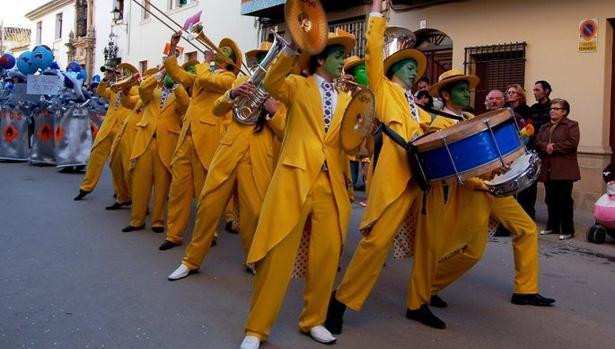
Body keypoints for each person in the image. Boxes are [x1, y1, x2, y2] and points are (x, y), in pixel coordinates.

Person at [325, 0, 448, 334]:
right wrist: (378, 14)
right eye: (407, 66)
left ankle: (418, 303)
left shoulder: (416, 104)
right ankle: (341, 301)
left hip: (423, 179)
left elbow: (429, 126)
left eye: (415, 67)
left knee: (429, 245)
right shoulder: (383, 88)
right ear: (393, 70)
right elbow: (374, 52)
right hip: (395, 178)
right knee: (376, 244)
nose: (414, 71)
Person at [238, 30, 356, 349]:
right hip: (295, 175)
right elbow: (272, 83)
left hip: (332, 182)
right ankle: (256, 328)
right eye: (337, 55)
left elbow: (353, 145)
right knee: (278, 253)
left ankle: (313, 320)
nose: (343, 61)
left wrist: (365, 129)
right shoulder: (296, 85)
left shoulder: (348, 99)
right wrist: (289, 50)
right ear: (320, 59)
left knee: (328, 255)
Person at [426, 69, 556, 312]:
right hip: (471, 192)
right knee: (470, 252)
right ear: (445, 94)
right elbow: (450, 169)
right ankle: (427, 286)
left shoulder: (469, 116)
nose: (468, 93)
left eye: (467, 88)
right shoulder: (437, 125)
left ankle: (525, 290)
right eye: (461, 89)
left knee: (527, 229)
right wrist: (482, 181)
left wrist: (504, 161)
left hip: (494, 188)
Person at [165, 43, 285, 281]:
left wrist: (272, 111)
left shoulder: (282, 92)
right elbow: (218, 109)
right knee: (208, 206)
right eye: (261, 60)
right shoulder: (240, 82)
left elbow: (286, 131)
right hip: (228, 150)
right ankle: (191, 260)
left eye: (268, 60)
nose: (263, 64)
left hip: (258, 156)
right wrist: (232, 95)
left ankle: (254, 259)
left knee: (255, 213)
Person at [161, 31, 240, 243]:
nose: (216, 51)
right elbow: (179, 75)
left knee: (205, 192)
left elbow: (206, 79)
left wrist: (207, 62)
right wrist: (173, 48)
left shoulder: (228, 78)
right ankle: (173, 235)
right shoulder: (206, 72)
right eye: (218, 50)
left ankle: (208, 234)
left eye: (223, 52)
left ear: (230, 62)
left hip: (208, 137)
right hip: (187, 135)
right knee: (179, 189)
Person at [121, 68, 189, 233]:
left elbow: (185, 105)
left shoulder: (180, 95)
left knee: (162, 185)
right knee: (140, 182)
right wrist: (160, 73)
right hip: (145, 141)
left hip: (166, 144)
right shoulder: (151, 93)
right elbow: (143, 88)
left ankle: (158, 221)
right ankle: (137, 219)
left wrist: (176, 83)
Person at [74, 65, 139, 201]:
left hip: (123, 130)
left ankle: (123, 193)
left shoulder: (136, 90)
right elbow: (100, 92)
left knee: (120, 163)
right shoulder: (115, 89)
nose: (120, 76)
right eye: (120, 73)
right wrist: (106, 78)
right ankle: (86, 187)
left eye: (124, 74)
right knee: (96, 155)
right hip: (107, 129)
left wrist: (129, 85)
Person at [536, 98, 580, 240]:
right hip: (548, 168)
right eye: (551, 108)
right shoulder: (544, 126)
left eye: (556, 109)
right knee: (551, 198)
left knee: (565, 200)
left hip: (564, 168)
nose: (552, 111)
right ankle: (552, 226)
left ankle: (568, 229)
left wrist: (553, 147)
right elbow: (538, 141)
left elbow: (572, 143)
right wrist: (545, 146)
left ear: (564, 112)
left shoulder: (571, 125)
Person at [521, 80, 553, 219]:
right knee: (530, 184)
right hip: (532, 150)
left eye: (537, 90)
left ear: (546, 91)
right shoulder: (532, 108)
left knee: (550, 186)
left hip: (546, 151)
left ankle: (553, 220)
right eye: (533, 90)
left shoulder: (553, 108)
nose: (534, 92)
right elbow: (529, 127)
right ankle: (529, 214)